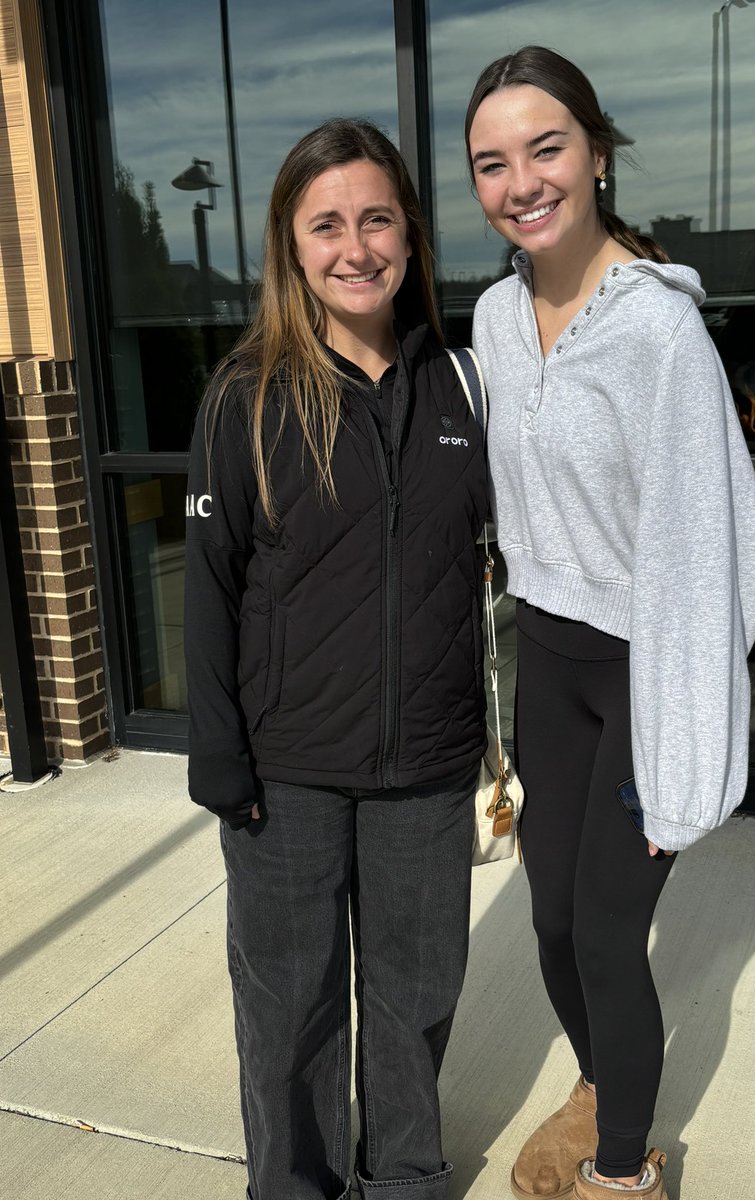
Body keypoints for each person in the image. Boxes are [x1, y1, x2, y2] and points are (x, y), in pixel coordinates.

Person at [464, 47, 755, 1200]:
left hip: (647, 673)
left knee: (603, 936)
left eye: (546, 148)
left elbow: (715, 559)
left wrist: (684, 751)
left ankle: (619, 1169)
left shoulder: (659, 337)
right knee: (547, 923)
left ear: (595, 154)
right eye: (493, 163)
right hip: (546, 658)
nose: (521, 180)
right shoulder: (496, 319)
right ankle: (608, 1082)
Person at [184, 118, 489, 1200]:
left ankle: (404, 1179)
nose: (354, 248)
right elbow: (210, 584)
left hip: (429, 771)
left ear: (409, 230)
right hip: (288, 778)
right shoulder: (247, 394)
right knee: (290, 1011)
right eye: (327, 225)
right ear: (291, 244)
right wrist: (218, 759)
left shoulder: (464, 384)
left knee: (414, 1003)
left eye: (376, 218)